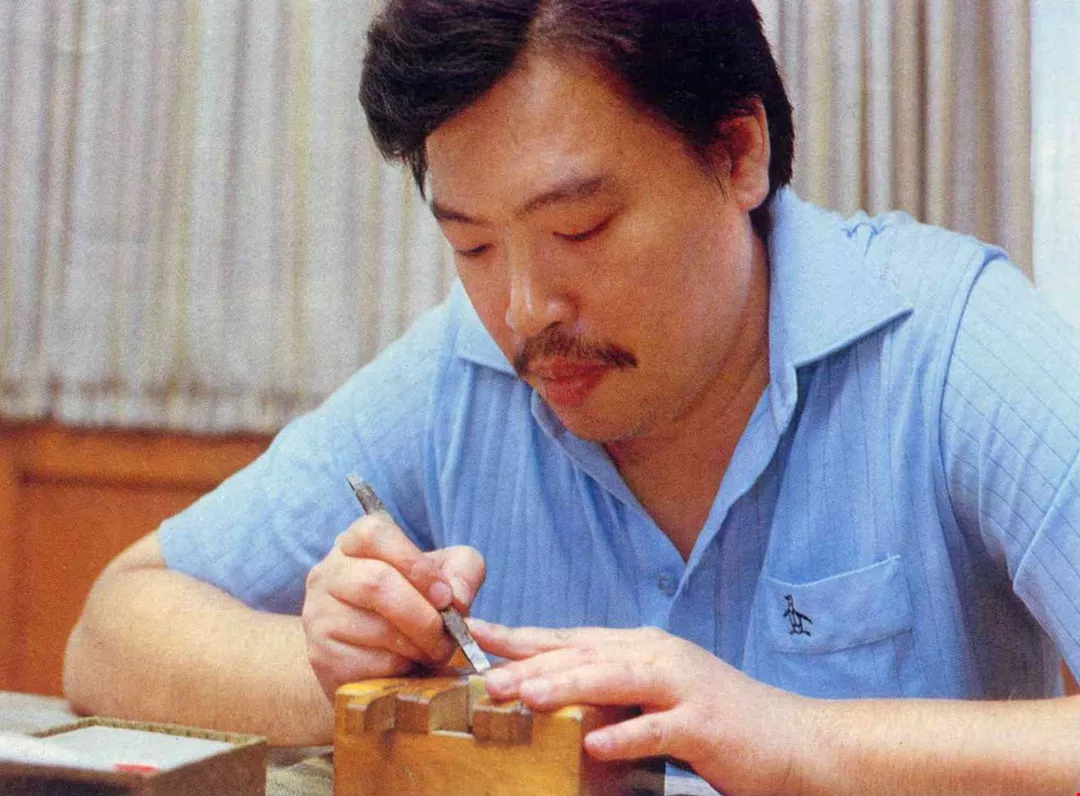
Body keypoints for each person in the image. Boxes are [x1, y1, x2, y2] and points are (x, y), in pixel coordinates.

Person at [65, 0, 1080, 793]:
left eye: (580, 230)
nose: (524, 310)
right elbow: (114, 629)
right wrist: (357, 675)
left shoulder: (951, 344)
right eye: (472, 245)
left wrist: (794, 737)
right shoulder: (458, 374)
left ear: (738, 153)